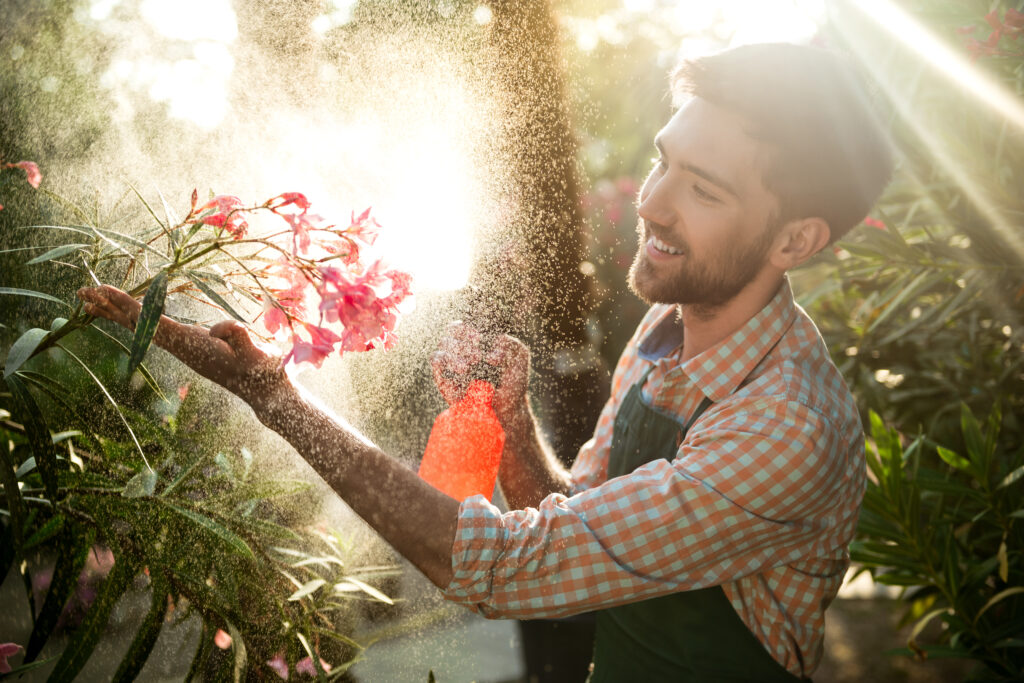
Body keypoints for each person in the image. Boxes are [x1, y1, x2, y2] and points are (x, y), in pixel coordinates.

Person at [78, 42, 892, 682]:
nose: (650, 201)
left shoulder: (785, 427)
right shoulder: (666, 327)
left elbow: (504, 571)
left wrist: (274, 395)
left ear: (796, 240)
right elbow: (587, 521)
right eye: (662, 160)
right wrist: (514, 427)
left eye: (703, 189)